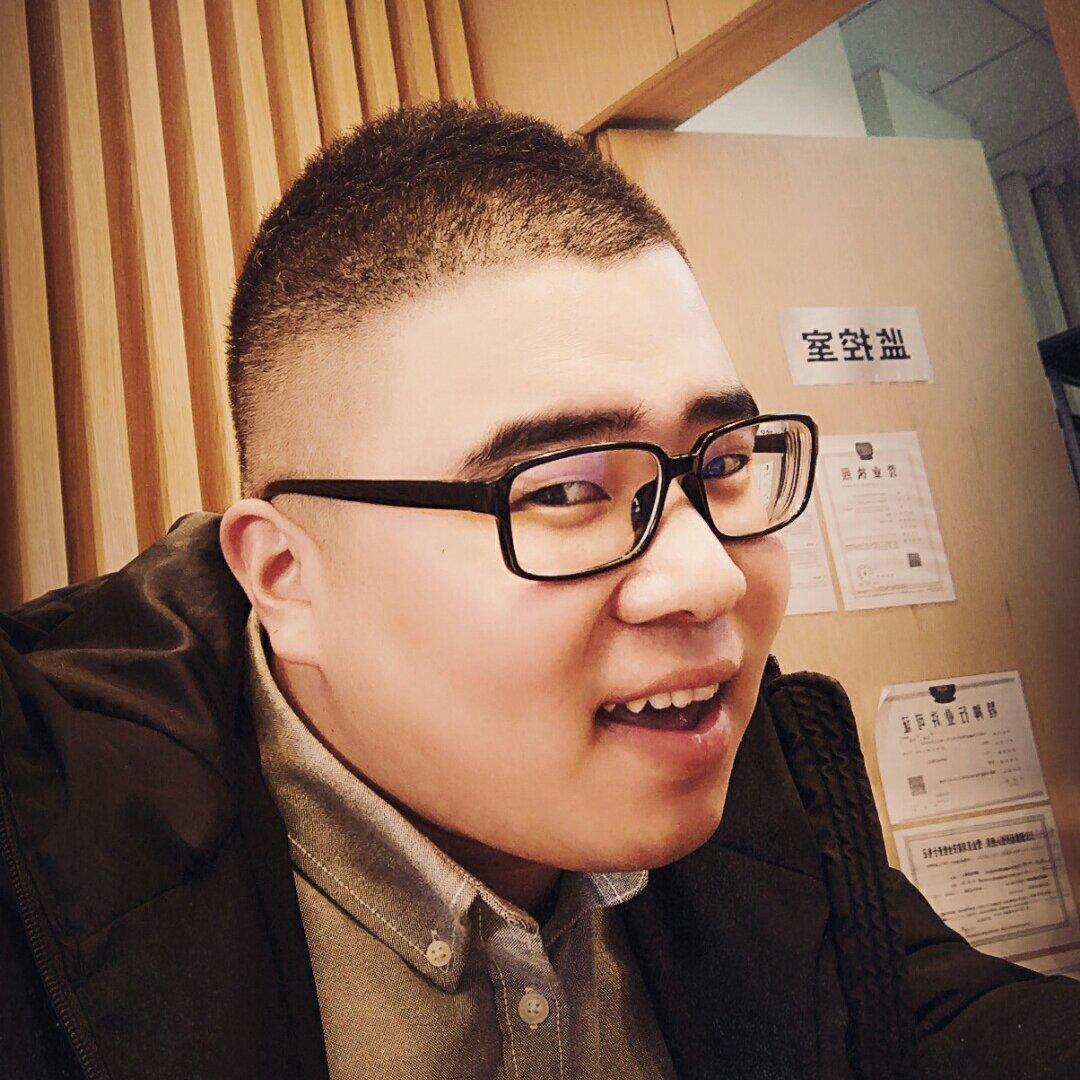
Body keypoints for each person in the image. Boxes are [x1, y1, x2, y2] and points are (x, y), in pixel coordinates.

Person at [1, 100, 1077, 1080]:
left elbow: (939, 1022)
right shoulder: (42, 869)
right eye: (563, 490)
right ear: (288, 580)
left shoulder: (760, 785)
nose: (709, 578)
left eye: (722, 462)